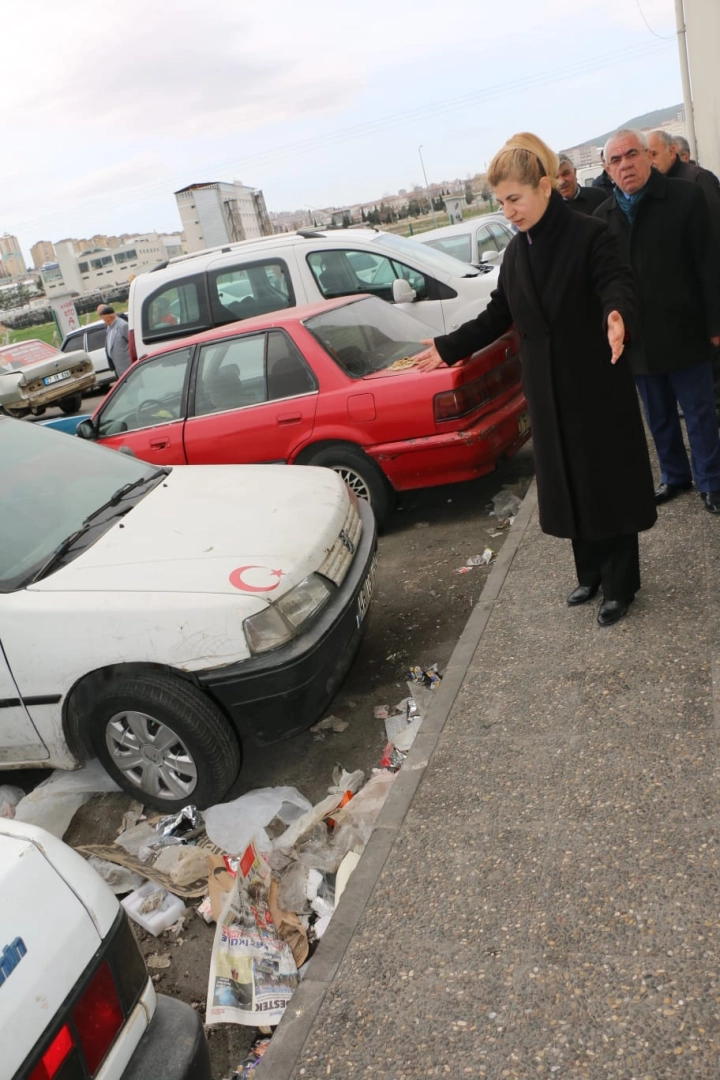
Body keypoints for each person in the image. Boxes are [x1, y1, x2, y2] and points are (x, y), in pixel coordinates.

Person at [414, 132, 656, 627]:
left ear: (545, 187)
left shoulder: (591, 234)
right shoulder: (517, 252)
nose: (508, 211)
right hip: (546, 391)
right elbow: (499, 312)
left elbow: (617, 282)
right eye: (501, 201)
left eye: (514, 199)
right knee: (567, 483)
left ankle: (621, 583)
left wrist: (618, 316)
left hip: (594, 385)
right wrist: (447, 346)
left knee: (603, 483)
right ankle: (589, 572)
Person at [595, 129, 720, 514]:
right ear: (607, 169)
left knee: (699, 412)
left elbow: (709, 262)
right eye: (615, 160)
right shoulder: (603, 218)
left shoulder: (686, 197)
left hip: (685, 327)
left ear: (649, 157)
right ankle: (675, 475)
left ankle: (711, 481)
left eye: (631, 154)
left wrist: (715, 323)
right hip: (640, 336)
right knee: (658, 414)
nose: (625, 164)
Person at [647, 128, 720, 238]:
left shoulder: (697, 177)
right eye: (647, 157)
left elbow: (713, 221)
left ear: (671, 152)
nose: (650, 162)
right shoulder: (654, 186)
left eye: (654, 154)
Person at [97, 304, 131, 377]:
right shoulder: (109, 327)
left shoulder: (123, 325)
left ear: (108, 317)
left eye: (104, 319)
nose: (103, 321)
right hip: (118, 367)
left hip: (127, 366)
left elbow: (133, 343)